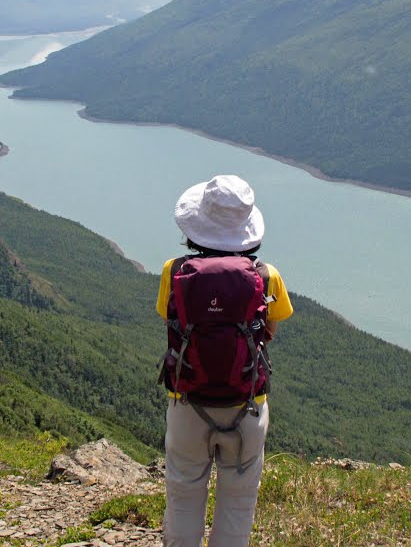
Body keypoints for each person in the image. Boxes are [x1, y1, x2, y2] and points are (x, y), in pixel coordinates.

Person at [156, 175, 293, 547]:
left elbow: (172, 323)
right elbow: (269, 331)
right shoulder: (267, 277)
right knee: (237, 504)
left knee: (183, 496)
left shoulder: (175, 271)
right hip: (247, 404)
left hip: (188, 402)